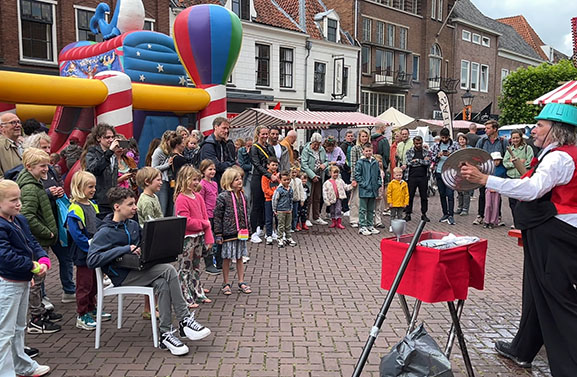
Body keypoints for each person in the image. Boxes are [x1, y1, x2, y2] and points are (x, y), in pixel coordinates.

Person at [460, 103, 577, 375]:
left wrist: (485, 179)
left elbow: (532, 189)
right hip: (549, 230)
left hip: (554, 233)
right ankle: (523, 349)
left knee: (557, 299)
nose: (533, 130)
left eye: (540, 126)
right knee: (537, 292)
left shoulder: (560, 158)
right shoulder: (556, 153)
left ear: (556, 131)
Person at [87, 187, 211, 355]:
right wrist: (124, 249)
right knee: (168, 270)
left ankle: (166, 334)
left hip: (139, 268)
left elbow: (142, 244)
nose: (135, 207)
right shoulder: (105, 232)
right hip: (122, 276)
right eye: (130, 204)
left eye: (134, 204)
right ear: (117, 207)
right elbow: (92, 260)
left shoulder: (131, 224)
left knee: (163, 284)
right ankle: (184, 319)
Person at [0, 180, 51, 377]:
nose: (18, 203)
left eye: (19, 198)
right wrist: (31, 266)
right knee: (5, 332)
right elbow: (5, 256)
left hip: (22, 281)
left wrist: (42, 257)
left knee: (19, 327)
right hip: (7, 283)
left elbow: (31, 241)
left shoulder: (19, 220)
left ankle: (22, 365)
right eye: (13, 200)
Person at [15, 148, 62, 334]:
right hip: (37, 239)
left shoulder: (34, 184)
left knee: (39, 280)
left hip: (39, 238)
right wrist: (47, 232)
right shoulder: (30, 189)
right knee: (37, 279)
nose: (46, 169)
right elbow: (27, 216)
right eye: (42, 166)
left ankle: (39, 311)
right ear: (29, 167)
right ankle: (36, 318)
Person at [66, 171, 112, 330]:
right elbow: (76, 233)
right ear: (79, 188)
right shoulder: (75, 208)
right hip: (83, 252)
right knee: (84, 283)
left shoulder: (92, 204)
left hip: (94, 249)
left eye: (94, 186)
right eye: (89, 187)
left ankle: (92, 307)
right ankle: (82, 313)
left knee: (94, 282)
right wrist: (89, 246)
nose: (93, 190)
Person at [173, 166, 214, 308]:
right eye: (194, 179)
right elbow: (186, 222)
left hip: (199, 237)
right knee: (185, 267)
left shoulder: (198, 197)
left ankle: (197, 291)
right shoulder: (181, 199)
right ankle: (185, 295)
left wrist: (209, 238)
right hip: (187, 239)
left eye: (198, 179)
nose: (197, 182)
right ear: (185, 180)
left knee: (196, 267)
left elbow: (206, 218)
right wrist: (203, 224)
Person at [213, 167, 252, 295]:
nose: (240, 181)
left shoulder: (243, 196)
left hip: (241, 232)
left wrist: (248, 229)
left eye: (240, 178)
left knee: (240, 256)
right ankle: (226, 282)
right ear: (229, 181)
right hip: (228, 233)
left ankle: (241, 281)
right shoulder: (223, 197)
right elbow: (217, 216)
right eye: (236, 179)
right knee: (227, 258)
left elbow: (246, 214)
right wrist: (218, 234)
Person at [135, 167, 164, 319]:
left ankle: (154, 305)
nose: (161, 182)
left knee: (155, 275)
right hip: (150, 243)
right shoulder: (146, 200)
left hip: (155, 241)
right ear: (147, 182)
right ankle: (149, 308)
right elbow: (149, 224)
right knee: (151, 276)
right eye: (158, 179)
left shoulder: (153, 197)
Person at [473, 120, 508, 226]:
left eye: (488, 128)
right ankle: (480, 215)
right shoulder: (482, 140)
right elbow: (476, 154)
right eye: (485, 128)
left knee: (497, 194)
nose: (485, 130)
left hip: (497, 172)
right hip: (485, 171)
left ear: (495, 129)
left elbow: (506, 156)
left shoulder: (503, 141)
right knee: (483, 193)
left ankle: (497, 216)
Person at [84, 123, 119, 216]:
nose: (111, 140)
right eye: (107, 137)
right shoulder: (92, 153)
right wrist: (109, 152)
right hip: (98, 200)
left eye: (112, 137)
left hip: (112, 200)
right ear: (99, 138)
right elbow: (95, 170)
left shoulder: (113, 155)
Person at [503, 129, 534, 227]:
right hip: (511, 178)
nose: (515, 140)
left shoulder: (527, 148)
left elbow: (530, 162)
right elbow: (505, 163)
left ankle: (523, 222)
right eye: (513, 138)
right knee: (512, 202)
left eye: (517, 137)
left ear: (521, 138)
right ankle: (516, 222)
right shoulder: (509, 149)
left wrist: (516, 162)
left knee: (522, 201)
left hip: (522, 178)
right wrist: (517, 162)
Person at [429, 128, 459, 225]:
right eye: (443, 137)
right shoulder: (436, 146)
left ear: (449, 136)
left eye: (446, 137)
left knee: (450, 194)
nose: (445, 139)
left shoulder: (455, 145)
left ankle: (451, 215)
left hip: (450, 172)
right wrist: (438, 156)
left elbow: (459, 157)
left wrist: (451, 155)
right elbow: (431, 157)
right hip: (439, 171)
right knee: (442, 194)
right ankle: (445, 213)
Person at [249, 126, 272, 243]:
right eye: (263, 134)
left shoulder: (269, 147)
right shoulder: (254, 148)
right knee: (256, 205)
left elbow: (273, 160)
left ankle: (262, 227)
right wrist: (269, 174)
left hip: (268, 179)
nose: (265, 136)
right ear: (258, 134)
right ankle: (253, 231)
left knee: (266, 204)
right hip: (258, 178)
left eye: (266, 134)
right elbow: (257, 165)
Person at [198, 159, 221, 276]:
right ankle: (209, 263)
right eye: (210, 169)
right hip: (207, 215)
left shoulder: (215, 183)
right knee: (209, 239)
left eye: (214, 169)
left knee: (216, 237)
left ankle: (218, 260)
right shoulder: (202, 184)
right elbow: (201, 200)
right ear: (203, 170)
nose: (213, 171)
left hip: (215, 214)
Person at [199, 117, 236, 188]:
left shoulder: (224, 143)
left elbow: (232, 160)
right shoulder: (208, 145)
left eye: (227, 129)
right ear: (216, 127)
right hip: (212, 182)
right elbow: (216, 166)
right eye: (224, 128)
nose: (226, 131)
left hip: (222, 181)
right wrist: (229, 165)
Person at [300, 133, 328, 226]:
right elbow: (304, 165)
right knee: (309, 197)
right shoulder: (306, 150)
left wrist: (325, 165)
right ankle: (307, 218)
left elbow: (327, 160)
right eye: (315, 144)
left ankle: (316, 217)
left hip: (320, 175)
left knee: (317, 197)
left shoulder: (322, 149)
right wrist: (312, 176)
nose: (316, 146)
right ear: (311, 142)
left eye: (318, 144)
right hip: (309, 176)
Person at [355, 144, 382, 236]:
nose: (368, 152)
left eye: (370, 151)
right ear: (363, 151)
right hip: (364, 189)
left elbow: (378, 174)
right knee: (363, 209)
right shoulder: (360, 162)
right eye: (366, 151)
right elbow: (357, 175)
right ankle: (362, 226)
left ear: (372, 151)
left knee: (371, 209)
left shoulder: (375, 162)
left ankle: (370, 225)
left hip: (374, 189)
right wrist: (364, 184)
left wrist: (378, 183)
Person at [403, 136, 431, 222]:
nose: (418, 145)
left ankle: (424, 213)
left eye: (420, 143)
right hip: (411, 176)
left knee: (424, 196)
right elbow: (408, 162)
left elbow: (428, 162)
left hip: (423, 177)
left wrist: (417, 160)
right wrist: (421, 161)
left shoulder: (426, 152)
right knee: (410, 196)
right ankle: (408, 213)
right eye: (417, 143)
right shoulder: (409, 151)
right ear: (414, 143)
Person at [151, 130, 176, 216]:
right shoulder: (158, 151)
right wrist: (167, 165)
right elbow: (153, 168)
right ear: (166, 140)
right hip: (162, 182)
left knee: (171, 208)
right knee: (163, 207)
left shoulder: (173, 151)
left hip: (171, 182)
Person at [349, 129, 371, 228]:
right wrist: (354, 178)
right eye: (363, 136)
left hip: (368, 177)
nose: (364, 138)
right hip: (358, 176)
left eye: (366, 136)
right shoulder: (355, 148)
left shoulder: (370, 147)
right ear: (359, 137)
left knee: (365, 200)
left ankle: (364, 218)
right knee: (356, 199)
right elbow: (353, 164)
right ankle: (354, 219)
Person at [483, 152, 507, 229]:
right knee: (488, 205)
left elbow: (504, 180)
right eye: (494, 160)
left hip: (497, 189)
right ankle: (486, 220)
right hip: (489, 188)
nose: (496, 162)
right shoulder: (488, 168)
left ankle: (493, 221)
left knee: (496, 206)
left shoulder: (502, 170)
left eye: (498, 160)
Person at [272, 171, 296, 247]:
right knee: (281, 225)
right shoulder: (279, 190)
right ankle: (280, 238)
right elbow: (275, 199)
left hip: (288, 210)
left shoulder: (290, 189)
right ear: (281, 180)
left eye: (288, 180)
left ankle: (288, 237)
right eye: (284, 180)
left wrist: (291, 208)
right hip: (280, 210)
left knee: (288, 225)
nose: (286, 181)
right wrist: (274, 209)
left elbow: (291, 199)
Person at [261, 157, 280, 245]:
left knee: (278, 217)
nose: (274, 167)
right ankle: (269, 234)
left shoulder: (278, 175)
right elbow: (265, 189)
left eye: (276, 165)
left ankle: (276, 232)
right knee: (268, 218)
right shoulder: (265, 176)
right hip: (269, 199)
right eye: (273, 165)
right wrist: (274, 194)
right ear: (268, 165)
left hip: (278, 200)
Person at [455, 134, 473, 216]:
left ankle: (465, 209)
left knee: (466, 191)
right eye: (460, 139)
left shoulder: (470, 149)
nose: (462, 141)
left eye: (463, 139)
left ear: (466, 140)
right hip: (458, 172)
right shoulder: (456, 149)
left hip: (467, 171)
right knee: (459, 191)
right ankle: (460, 207)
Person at [387, 167, 409, 232]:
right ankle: (391, 226)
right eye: (397, 175)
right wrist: (390, 202)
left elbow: (406, 194)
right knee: (392, 215)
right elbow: (389, 194)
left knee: (400, 215)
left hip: (401, 203)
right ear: (394, 175)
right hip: (393, 203)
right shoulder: (391, 184)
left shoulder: (404, 184)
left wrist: (406, 202)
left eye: (400, 175)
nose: (399, 177)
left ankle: (400, 226)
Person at [339, 130, 356, 213]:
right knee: (345, 188)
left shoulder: (354, 145)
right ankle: (344, 207)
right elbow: (343, 158)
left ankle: (348, 206)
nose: (350, 137)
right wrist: (347, 168)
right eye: (348, 136)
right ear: (345, 137)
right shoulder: (343, 146)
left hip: (352, 169)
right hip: (345, 170)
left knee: (350, 188)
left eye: (351, 136)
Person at [237, 138, 253, 207]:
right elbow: (242, 165)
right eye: (248, 146)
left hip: (254, 175)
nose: (250, 148)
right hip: (246, 176)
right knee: (247, 195)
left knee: (253, 197)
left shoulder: (255, 151)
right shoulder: (241, 151)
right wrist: (247, 154)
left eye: (251, 146)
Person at [289, 165, 305, 231]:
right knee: (289, 214)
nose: (294, 174)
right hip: (290, 200)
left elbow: (301, 190)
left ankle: (294, 226)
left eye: (295, 172)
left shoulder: (299, 181)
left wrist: (302, 200)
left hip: (296, 199)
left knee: (295, 214)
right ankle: (289, 227)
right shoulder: (289, 180)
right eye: (292, 172)